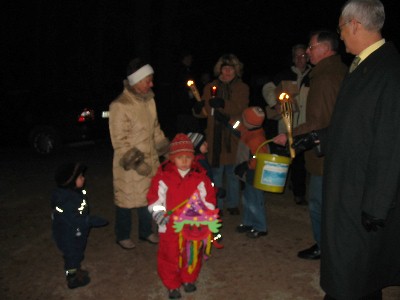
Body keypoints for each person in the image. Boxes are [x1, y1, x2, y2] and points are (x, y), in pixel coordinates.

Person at [296, 1, 400, 299]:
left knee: (355, 274)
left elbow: (392, 140)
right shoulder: (364, 66)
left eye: (341, 28)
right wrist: (319, 138)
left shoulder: (388, 71)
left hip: (362, 196)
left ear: (354, 24)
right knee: (355, 275)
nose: (340, 36)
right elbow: (355, 126)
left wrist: (378, 204)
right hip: (349, 189)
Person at [278, 31, 348, 260]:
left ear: (325, 49)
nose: (307, 52)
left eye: (311, 47)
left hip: (325, 152)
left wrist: (288, 135)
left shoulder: (325, 77)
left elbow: (319, 121)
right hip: (336, 149)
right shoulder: (334, 71)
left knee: (319, 203)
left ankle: (323, 246)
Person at [147, 133, 219, 299]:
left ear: (193, 158)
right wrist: (159, 214)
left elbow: (208, 197)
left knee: (191, 252)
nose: (185, 161)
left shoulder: (199, 176)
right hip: (170, 225)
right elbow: (155, 198)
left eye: (188, 157)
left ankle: (189, 279)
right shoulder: (163, 177)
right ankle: (172, 285)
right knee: (169, 254)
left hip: (192, 224)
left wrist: (206, 215)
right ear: (172, 158)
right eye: (180, 157)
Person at [109, 58, 170, 250]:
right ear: (137, 80)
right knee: (126, 199)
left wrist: (166, 151)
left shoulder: (150, 100)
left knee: (148, 198)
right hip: (129, 164)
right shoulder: (120, 105)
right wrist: (136, 162)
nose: (151, 84)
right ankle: (122, 235)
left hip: (151, 160)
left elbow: (156, 129)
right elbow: (119, 140)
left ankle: (145, 231)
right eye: (148, 80)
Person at [193, 53, 249, 215]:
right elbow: (205, 111)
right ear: (219, 69)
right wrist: (197, 110)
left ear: (236, 70)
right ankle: (216, 202)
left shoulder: (241, 87)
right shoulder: (209, 87)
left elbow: (241, 107)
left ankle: (232, 203)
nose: (227, 72)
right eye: (224, 68)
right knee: (216, 171)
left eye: (231, 68)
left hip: (232, 135)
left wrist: (224, 103)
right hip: (214, 136)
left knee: (232, 171)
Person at [262, 44, 312, 205]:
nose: (300, 59)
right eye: (297, 56)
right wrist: (274, 103)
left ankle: (299, 193)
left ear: (308, 56)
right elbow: (267, 88)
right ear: (293, 58)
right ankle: (276, 185)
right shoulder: (284, 74)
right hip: (286, 124)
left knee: (300, 159)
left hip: (305, 124)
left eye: (303, 55)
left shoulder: (314, 75)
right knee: (286, 155)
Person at [51, 162, 108, 289]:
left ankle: (75, 270)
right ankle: (71, 277)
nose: (84, 178)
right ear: (70, 182)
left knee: (77, 253)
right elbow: (72, 218)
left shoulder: (73, 193)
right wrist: (90, 221)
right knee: (72, 256)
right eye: (80, 177)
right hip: (68, 234)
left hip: (76, 231)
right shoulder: (65, 200)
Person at [232, 107, 270, 238]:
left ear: (248, 121)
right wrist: (226, 120)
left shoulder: (257, 138)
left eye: (244, 118)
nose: (242, 120)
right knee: (247, 198)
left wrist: (247, 165)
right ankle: (248, 222)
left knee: (255, 199)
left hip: (255, 173)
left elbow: (259, 157)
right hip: (248, 173)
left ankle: (260, 226)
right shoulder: (250, 130)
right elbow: (239, 127)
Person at [173, 50, 201, 134]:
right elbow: (179, 88)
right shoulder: (181, 71)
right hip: (183, 107)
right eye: (188, 58)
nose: (190, 60)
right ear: (184, 59)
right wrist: (188, 93)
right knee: (186, 129)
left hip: (187, 107)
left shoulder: (188, 70)